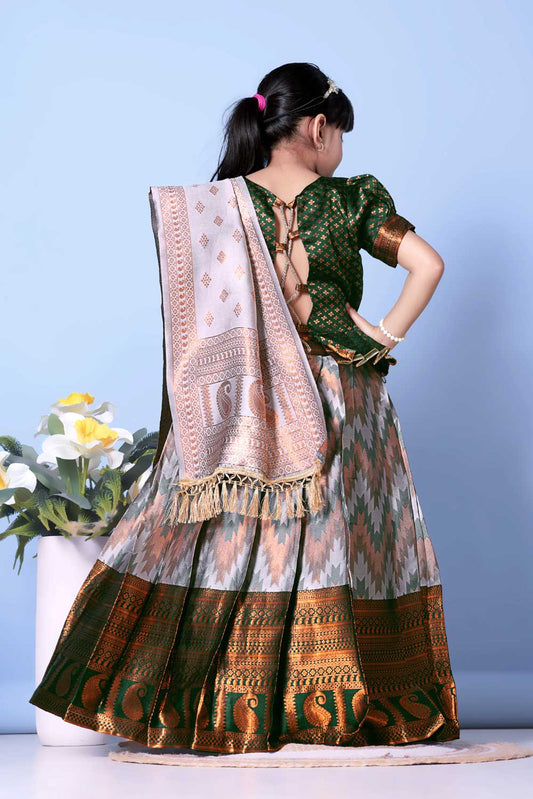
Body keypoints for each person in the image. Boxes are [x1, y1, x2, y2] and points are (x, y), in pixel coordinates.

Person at [29, 61, 460, 753]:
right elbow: (428, 265)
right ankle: (328, 703)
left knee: (241, 548)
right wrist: (379, 335)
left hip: (247, 402)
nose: (341, 150)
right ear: (318, 127)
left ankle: (220, 703)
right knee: (331, 546)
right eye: (339, 135)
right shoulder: (353, 199)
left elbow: (199, 320)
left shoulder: (215, 205)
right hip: (341, 393)